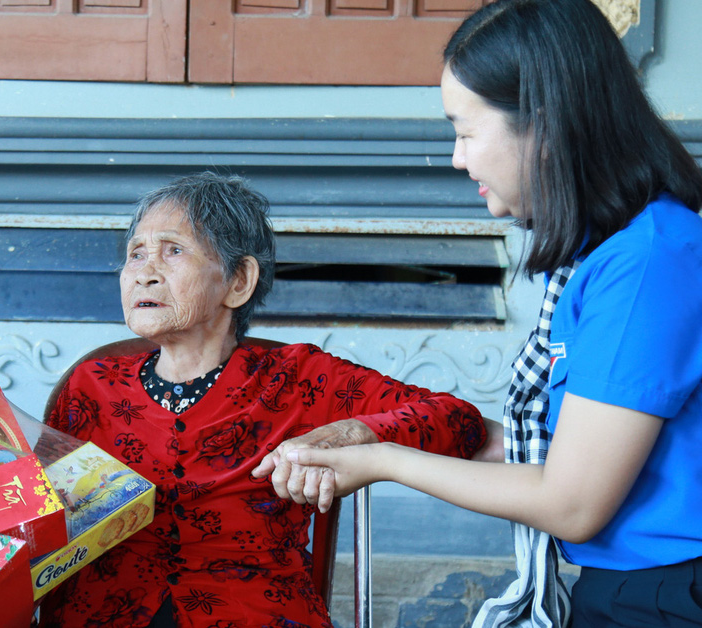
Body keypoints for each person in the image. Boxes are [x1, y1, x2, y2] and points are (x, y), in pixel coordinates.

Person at [270, 1, 702, 626]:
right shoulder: (608, 253)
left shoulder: (648, 261)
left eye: (467, 131)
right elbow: (552, 447)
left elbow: (572, 501)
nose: (457, 158)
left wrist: (382, 463)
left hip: (661, 598)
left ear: (546, 127)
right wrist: (381, 433)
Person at [38, 172, 486, 628]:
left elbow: (459, 420)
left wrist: (352, 434)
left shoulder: (297, 379)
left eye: (173, 251)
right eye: (136, 254)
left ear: (239, 280)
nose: (144, 273)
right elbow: (39, 523)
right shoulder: (90, 386)